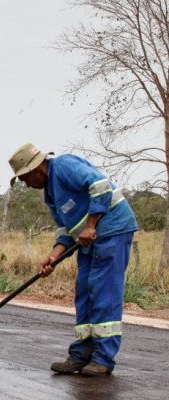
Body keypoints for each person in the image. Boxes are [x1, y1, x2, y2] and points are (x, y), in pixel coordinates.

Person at [8, 143, 138, 376]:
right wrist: (54, 255)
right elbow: (65, 229)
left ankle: (103, 358)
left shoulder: (64, 165)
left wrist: (90, 225)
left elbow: (99, 185)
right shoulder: (49, 194)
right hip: (88, 241)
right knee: (84, 292)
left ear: (36, 169)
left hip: (112, 232)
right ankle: (80, 354)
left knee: (103, 292)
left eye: (25, 179)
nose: (27, 185)